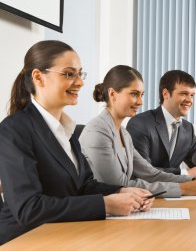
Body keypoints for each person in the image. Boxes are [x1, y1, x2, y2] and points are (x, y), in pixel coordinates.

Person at [0, 40, 153, 245]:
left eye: (80, 74)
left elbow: (84, 185)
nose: (80, 82)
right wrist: (105, 205)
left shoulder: (67, 129)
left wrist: (120, 191)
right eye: (69, 74)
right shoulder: (14, 129)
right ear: (38, 77)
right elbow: (29, 208)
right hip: (25, 239)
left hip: (66, 233)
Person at [79, 65, 196, 197]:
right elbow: (120, 185)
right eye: (134, 94)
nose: (140, 102)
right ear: (113, 94)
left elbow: (152, 174)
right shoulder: (97, 131)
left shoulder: (124, 134)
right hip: (99, 211)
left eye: (141, 95)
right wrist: (181, 189)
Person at [126, 70, 196, 188]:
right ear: (166, 93)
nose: (189, 100)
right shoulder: (140, 123)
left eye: (192, 95)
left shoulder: (188, 129)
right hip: (145, 194)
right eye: (183, 94)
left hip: (178, 197)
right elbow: (143, 171)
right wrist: (185, 173)